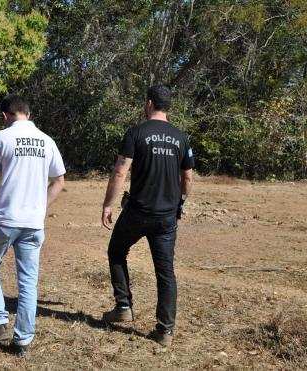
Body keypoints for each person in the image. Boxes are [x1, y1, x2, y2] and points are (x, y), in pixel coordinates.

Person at [101, 85, 194, 347]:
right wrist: (180, 204)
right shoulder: (181, 137)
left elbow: (121, 171)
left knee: (117, 251)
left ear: (150, 103)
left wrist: (108, 204)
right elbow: (187, 177)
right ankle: (165, 330)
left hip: (138, 211)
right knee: (166, 272)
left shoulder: (136, 133)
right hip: (166, 217)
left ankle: (123, 306)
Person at [0, 94, 66, 356]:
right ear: (28, 113)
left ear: (6, 115)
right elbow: (59, 180)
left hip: (6, 218)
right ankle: (23, 341)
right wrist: (41, 206)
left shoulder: (2, 136)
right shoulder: (47, 140)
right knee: (28, 282)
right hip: (33, 222)